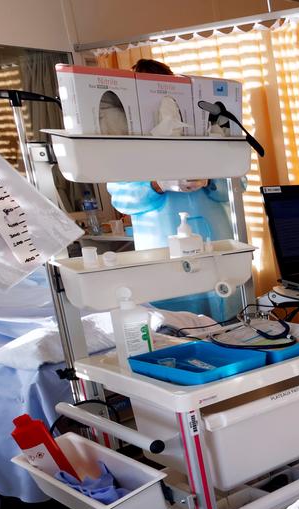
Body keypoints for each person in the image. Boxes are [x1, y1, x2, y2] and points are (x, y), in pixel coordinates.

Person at [106, 58, 239, 320]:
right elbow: (121, 198)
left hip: (217, 247)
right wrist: (157, 184)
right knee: (177, 326)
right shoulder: (126, 142)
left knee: (229, 319)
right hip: (162, 250)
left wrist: (212, 179)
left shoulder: (204, 128)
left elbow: (237, 186)